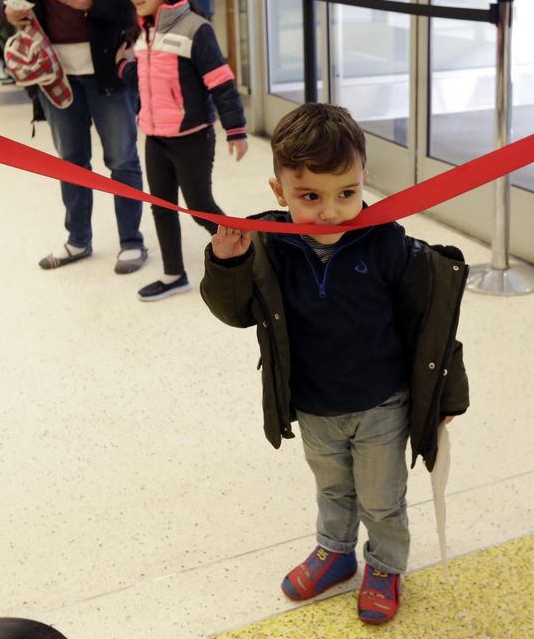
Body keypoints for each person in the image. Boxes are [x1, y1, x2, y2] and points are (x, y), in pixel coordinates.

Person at [200, 104, 470, 625]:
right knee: (332, 487)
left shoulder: (386, 241)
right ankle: (335, 550)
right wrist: (228, 262)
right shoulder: (268, 244)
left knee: (382, 497)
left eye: (346, 193)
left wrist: (449, 396)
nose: (331, 212)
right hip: (314, 405)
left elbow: (431, 321)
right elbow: (235, 313)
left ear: (363, 177)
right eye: (309, 197)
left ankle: (386, 564)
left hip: (382, 405)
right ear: (279, 192)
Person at [0, 0, 147, 275]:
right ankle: (78, 239)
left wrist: (92, 0)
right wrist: (11, 6)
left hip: (107, 69)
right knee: (71, 161)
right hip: (53, 73)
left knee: (122, 159)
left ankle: (132, 241)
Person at [117, 0, 248, 301]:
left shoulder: (195, 29)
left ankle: (245, 250)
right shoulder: (143, 32)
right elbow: (145, 82)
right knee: (161, 206)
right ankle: (174, 275)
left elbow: (221, 83)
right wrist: (123, 71)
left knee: (199, 206)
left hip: (191, 136)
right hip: (155, 136)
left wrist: (235, 129)